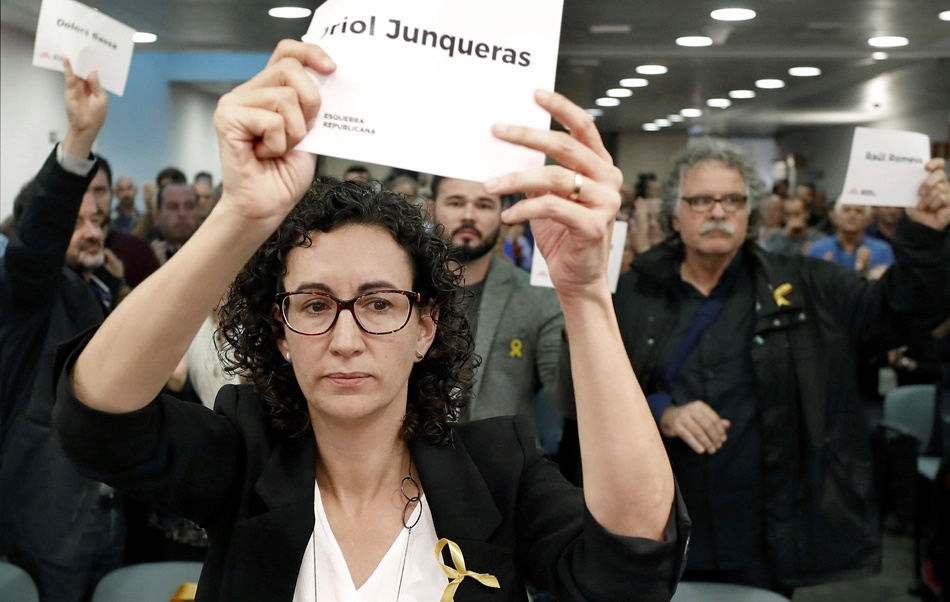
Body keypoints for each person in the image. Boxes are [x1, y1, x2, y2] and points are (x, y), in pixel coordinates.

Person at [52, 40, 687, 601]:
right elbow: (96, 418)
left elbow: (631, 567)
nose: (347, 340)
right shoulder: (243, 455)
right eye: (316, 305)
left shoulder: (500, 471)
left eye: (381, 304)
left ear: (426, 327)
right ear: (280, 330)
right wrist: (241, 214)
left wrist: (583, 293)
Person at [557, 137, 949, 592]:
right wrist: (661, 411)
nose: (718, 212)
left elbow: (901, 314)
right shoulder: (633, 292)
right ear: (675, 214)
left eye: (733, 200)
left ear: (751, 212)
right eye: (701, 200)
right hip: (656, 523)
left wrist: (925, 235)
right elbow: (582, 390)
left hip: (767, 528)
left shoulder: (805, 285)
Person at [0, 60, 125, 602]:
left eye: (97, 219)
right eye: (75, 223)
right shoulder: (31, 294)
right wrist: (78, 140)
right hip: (46, 517)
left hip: (108, 516)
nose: (91, 229)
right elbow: (34, 250)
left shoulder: (101, 290)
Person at [429, 175, 564, 427]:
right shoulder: (402, 286)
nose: (469, 215)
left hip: (500, 459)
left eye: (484, 205)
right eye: (456, 203)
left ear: (503, 214)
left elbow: (566, 399)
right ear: (432, 208)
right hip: (408, 455)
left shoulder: (535, 296)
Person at [808, 200, 894, 280]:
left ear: (868, 219)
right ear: (835, 217)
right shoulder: (817, 249)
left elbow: (888, 289)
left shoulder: (882, 250)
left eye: (859, 211)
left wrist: (865, 274)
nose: (852, 215)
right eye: (846, 210)